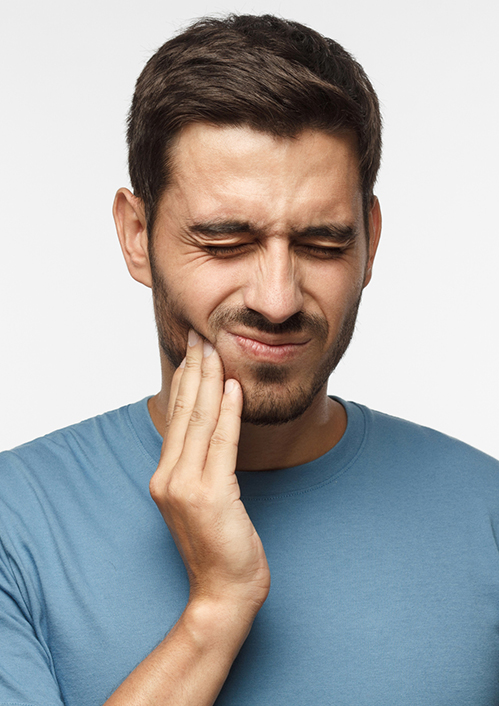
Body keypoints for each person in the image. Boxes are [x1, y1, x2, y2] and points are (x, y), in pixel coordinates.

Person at [0, 13, 498, 706]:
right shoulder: (13, 521)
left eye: (322, 244)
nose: (276, 298)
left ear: (370, 242)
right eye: (225, 241)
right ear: (138, 236)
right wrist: (217, 608)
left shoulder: (486, 513)